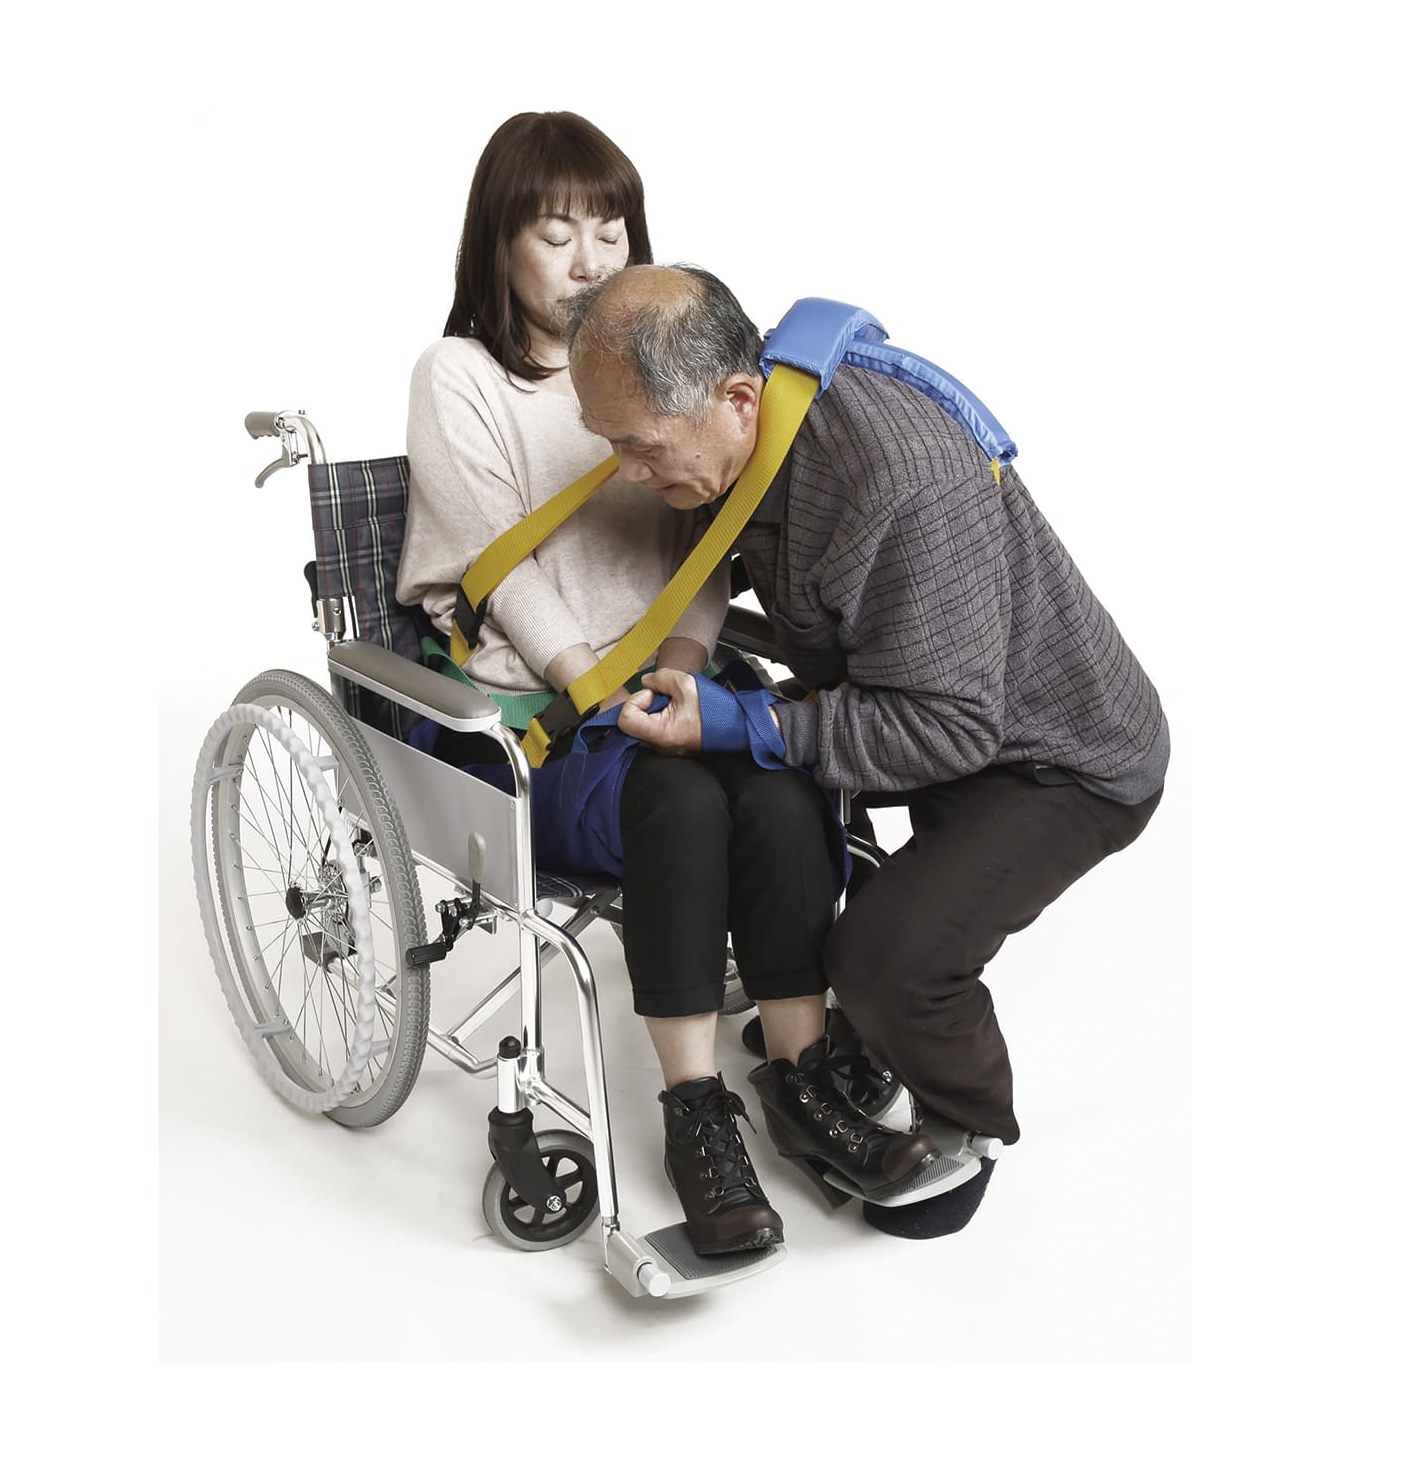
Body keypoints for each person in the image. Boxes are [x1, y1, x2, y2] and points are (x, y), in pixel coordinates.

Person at [397, 114, 934, 1255]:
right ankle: (697, 1113)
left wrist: (682, 674)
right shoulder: (460, 379)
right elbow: (502, 571)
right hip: (534, 720)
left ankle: (801, 1079)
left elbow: (707, 547)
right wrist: (602, 692)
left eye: (612, 231)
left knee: (780, 779)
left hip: (669, 683)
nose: (589, 260)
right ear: (498, 244)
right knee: (680, 797)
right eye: (556, 236)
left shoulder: (661, 369)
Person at [565, 263, 1170, 1239]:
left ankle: (970, 1131)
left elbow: (948, 728)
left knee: (891, 960)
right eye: (611, 444)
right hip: (941, 704)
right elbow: (710, 549)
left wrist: (749, 723)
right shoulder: (747, 430)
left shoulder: (895, 480)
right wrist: (683, 665)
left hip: (1060, 756)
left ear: (737, 399)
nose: (629, 472)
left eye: (640, 446)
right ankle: (825, 1055)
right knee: (791, 824)